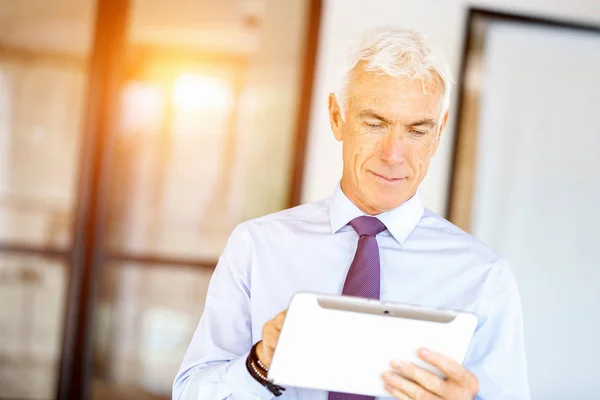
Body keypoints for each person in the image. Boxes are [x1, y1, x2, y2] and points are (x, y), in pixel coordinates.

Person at [173, 28, 530, 400]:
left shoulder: (485, 277)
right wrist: (261, 362)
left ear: (439, 131)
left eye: (417, 130)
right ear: (336, 117)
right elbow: (190, 394)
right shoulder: (256, 246)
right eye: (374, 124)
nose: (394, 154)